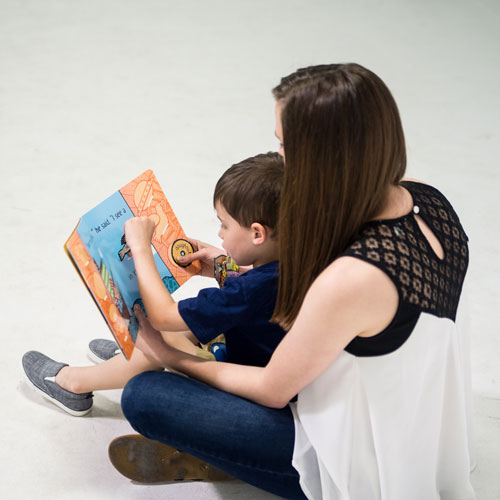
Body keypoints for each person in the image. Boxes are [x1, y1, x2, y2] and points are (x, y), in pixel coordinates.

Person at [109, 63, 475, 500]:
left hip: (356, 465)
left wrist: (173, 358)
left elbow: (272, 390)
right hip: (421, 431)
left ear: (322, 157)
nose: (280, 156)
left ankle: (227, 458)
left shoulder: (352, 279)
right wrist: (228, 269)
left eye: (284, 145)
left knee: (146, 396)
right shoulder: (427, 197)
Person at [22, 151, 286, 417]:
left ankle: (73, 383)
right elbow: (249, 297)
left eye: (224, 226)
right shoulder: (293, 263)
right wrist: (223, 266)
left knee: (157, 334)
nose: (219, 234)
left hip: (245, 384)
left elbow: (163, 317)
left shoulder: (250, 290)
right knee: (179, 328)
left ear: (257, 233)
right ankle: (127, 361)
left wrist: (140, 248)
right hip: (258, 360)